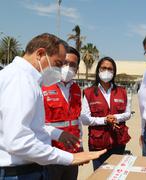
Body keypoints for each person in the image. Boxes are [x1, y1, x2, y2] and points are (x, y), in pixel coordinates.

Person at [0, 33, 105, 179]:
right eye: (58, 64)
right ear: (40, 54)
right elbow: (18, 141)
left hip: (28, 167)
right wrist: (70, 158)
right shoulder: (21, 81)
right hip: (19, 172)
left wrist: (58, 134)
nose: (61, 69)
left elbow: (32, 126)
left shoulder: (24, 78)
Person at [81, 56, 131, 170]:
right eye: (103, 68)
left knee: (116, 173)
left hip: (118, 142)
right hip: (98, 143)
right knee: (100, 174)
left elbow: (128, 114)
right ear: (98, 70)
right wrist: (104, 120)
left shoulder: (122, 92)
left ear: (114, 72)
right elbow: (84, 119)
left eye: (110, 69)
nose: (107, 71)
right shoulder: (89, 93)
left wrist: (115, 117)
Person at [42, 46, 83, 180]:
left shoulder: (77, 89)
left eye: (73, 65)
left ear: (77, 69)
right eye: (65, 63)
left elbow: (77, 120)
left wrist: (80, 145)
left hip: (72, 153)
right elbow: (36, 123)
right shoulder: (43, 86)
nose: (68, 67)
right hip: (51, 153)